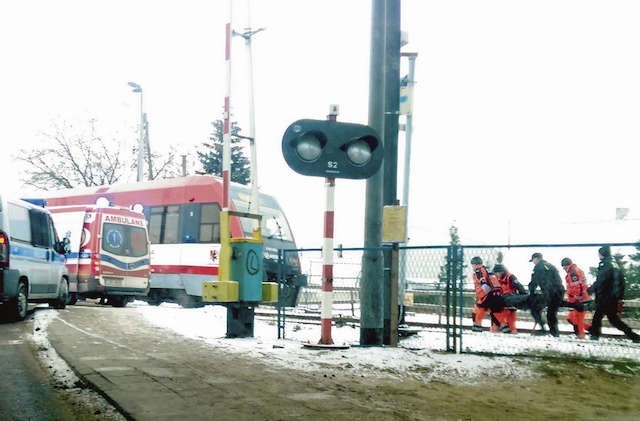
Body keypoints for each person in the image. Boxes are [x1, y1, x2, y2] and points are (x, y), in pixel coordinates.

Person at [587, 246, 640, 343]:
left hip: (605, 297)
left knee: (597, 318)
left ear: (602, 254)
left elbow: (601, 281)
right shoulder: (615, 265)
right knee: (613, 320)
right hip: (613, 297)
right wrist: (619, 296)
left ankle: (594, 337)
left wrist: (590, 290)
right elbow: (622, 282)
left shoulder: (605, 265)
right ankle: (634, 336)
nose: (598, 255)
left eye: (599, 253)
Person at [528, 252, 565, 337]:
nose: (533, 262)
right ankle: (554, 333)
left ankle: (543, 328)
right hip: (559, 291)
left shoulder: (538, 267)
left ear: (536, 259)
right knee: (551, 313)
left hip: (549, 292)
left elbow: (534, 282)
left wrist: (531, 292)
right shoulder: (550, 266)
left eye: (533, 260)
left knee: (535, 309)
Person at [470, 256, 509, 333]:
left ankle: (477, 326)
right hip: (497, 293)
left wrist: (482, 296)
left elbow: (484, 284)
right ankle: (504, 327)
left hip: (488, 294)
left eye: (472, 265)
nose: (472, 267)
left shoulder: (479, 271)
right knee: (495, 311)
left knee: (478, 308)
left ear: (475, 264)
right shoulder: (488, 270)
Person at [561, 257, 590, 339]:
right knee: (571, 318)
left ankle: (581, 337)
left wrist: (576, 297)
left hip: (578, 300)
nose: (563, 269)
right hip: (579, 299)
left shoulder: (573, 272)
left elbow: (577, 286)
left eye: (563, 267)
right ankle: (591, 329)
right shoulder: (576, 270)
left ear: (566, 266)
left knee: (578, 320)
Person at [493, 263, 526, 333]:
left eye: (497, 273)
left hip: (511, 299)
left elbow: (519, 287)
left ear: (501, 271)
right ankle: (505, 328)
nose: (496, 274)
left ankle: (509, 329)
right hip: (503, 300)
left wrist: (523, 298)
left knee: (497, 310)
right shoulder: (498, 278)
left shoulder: (510, 277)